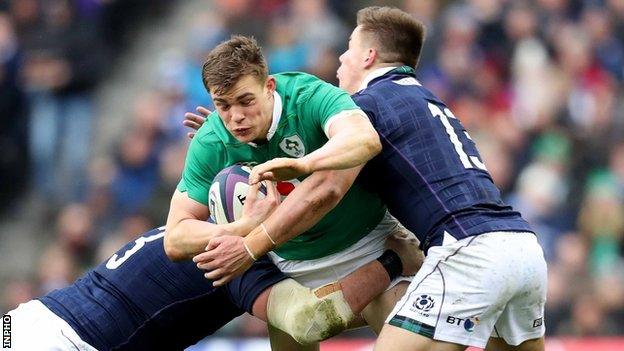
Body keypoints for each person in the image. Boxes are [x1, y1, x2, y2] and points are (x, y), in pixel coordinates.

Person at [250, 6, 547, 351]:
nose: (342, 59)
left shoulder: (365, 106)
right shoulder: (427, 99)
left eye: (349, 47)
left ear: (368, 55)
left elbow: (324, 184)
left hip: (467, 250)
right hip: (522, 247)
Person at [164, 35, 415, 347]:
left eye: (246, 101)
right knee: (299, 328)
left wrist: (305, 164)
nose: (236, 117)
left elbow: (364, 140)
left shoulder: (307, 97)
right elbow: (174, 239)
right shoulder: (211, 140)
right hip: (292, 268)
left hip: (369, 244)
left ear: (269, 87)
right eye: (223, 105)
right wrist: (241, 227)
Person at [4, 221, 418, 350]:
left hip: (23, 324)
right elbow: (309, 320)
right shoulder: (234, 256)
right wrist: (394, 260)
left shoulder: (200, 222)